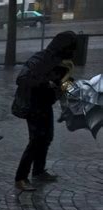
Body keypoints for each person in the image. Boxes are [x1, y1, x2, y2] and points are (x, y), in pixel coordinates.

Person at [14, 31, 77, 191]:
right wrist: (46, 83)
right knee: (36, 141)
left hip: (45, 104)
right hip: (32, 105)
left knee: (47, 137)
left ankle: (38, 171)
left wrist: (68, 84)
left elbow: (63, 87)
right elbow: (22, 79)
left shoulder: (63, 63)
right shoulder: (41, 58)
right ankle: (21, 178)